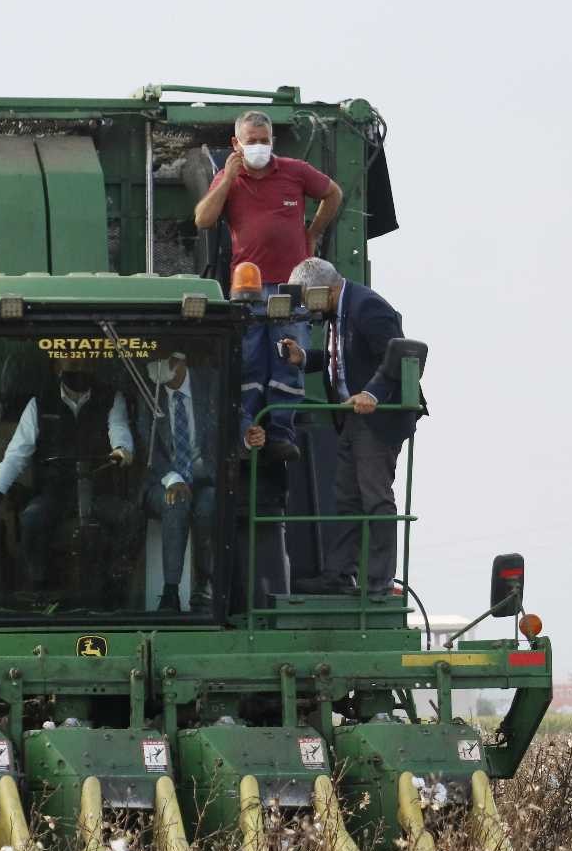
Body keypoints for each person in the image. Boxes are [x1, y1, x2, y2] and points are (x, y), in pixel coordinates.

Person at [194, 111, 344, 462]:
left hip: (291, 287)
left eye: (265, 140)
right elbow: (203, 218)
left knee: (287, 360)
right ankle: (246, 431)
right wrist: (229, 177)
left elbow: (332, 194)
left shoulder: (294, 171)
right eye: (252, 141)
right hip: (247, 290)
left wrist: (313, 232)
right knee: (247, 361)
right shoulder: (228, 178)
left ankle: (279, 433)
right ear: (237, 144)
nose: (259, 147)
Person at [279, 257, 425, 596]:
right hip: (352, 419)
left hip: (379, 417)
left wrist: (371, 393)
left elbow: (399, 354)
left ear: (325, 290)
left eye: (307, 297)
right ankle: (339, 575)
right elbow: (341, 361)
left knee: (375, 497)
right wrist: (305, 358)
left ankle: (380, 581)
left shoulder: (367, 307)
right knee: (345, 497)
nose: (306, 306)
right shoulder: (337, 313)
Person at [0, 360, 138, 594]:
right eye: (72, 364)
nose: (79, 369)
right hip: (56, 492)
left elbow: (119, 428)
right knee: (31, 519)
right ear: (58, 368)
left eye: (85, 365)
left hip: (97, 491)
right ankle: (38, 586)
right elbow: (16, 455)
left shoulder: (112, 398)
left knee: (130, 517)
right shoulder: (39, 403)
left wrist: (122, 448)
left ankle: (116, 584)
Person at [136, 351, 217, 612]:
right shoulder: (147, 392)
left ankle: (205, 583)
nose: (154, 367)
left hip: (206, 477)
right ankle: (170, 593)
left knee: (209, 507)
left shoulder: (211, 383)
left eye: (161, 360)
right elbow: (146, 443)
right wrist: (172, 478)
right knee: (176, 502)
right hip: (164, 478)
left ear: (180, 360)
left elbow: (227, 427)